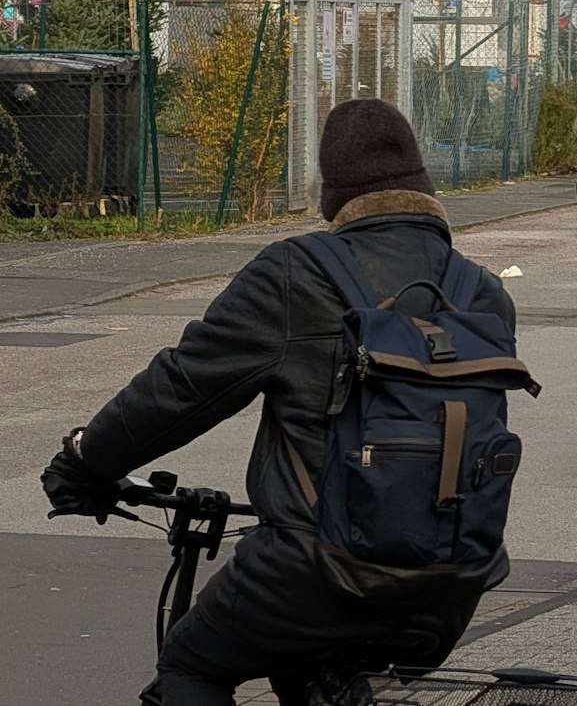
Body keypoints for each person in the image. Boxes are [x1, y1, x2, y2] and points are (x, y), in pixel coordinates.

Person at [40, 99, 518, 705]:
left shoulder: (297, 274)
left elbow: (183, 387)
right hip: (455, 580)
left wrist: (86, 464)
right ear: (423, 184)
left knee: (192, 667)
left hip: (319, 569)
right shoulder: (481, 290)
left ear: (332, 195)